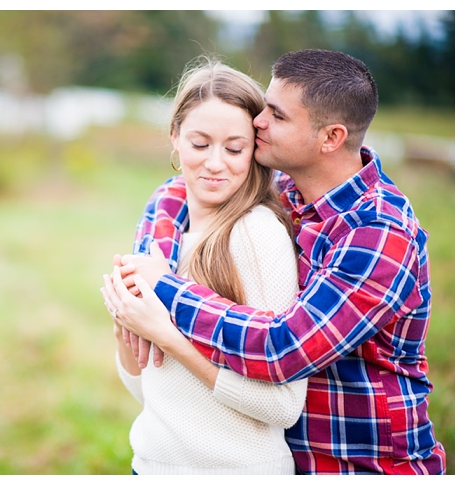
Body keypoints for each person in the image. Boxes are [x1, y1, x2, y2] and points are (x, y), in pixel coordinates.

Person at [105, 49, 446, 474]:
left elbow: (283, 347)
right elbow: (178, 192)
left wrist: (164, 292)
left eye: (277, 116)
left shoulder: (378, 234)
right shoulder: (286, 188)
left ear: (331, 138)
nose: (259, 122)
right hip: (290, 453)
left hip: (361, 462)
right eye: (264, 106)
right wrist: (139, 271)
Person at [101, 56, 307, 475]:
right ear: (175, 137)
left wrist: (167, 335)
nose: (215, 163)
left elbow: (283, 406)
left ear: (256, 149)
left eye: (234, 148)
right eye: (200, 143)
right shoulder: (165, 239)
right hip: (152, 467)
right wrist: (126, 324)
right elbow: (150, 392)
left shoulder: (256, 234)